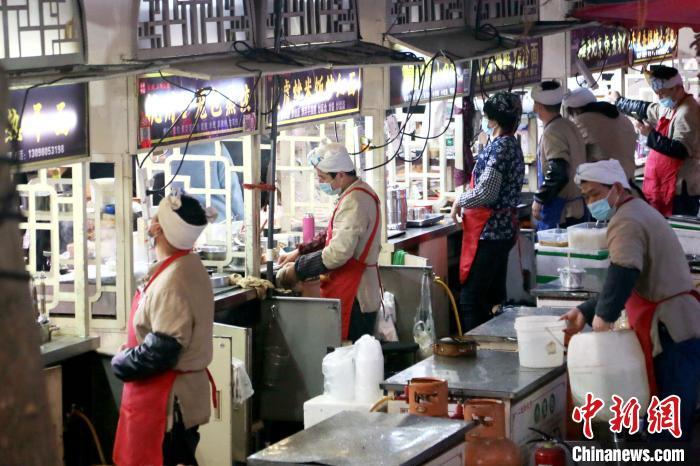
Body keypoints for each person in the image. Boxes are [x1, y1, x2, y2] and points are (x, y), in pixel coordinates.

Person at [561, 160, 700, 442]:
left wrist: (604, 316)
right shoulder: (638, 211)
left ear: (615, 188)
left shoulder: (626, 219)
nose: (591, 202)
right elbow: (630, 281)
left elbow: (624, 271)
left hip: (670, 329)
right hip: (679, 324)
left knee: (667, 421)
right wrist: (585, 311)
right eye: (586, 197)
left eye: (596, 194)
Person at [111, 194, 218, 466]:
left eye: (155, 217)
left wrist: (123, 362)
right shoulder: (187, 265)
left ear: (158, 228)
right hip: (175, 398)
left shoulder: (174, 280)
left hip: (167, 402)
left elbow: (163, 350)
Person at [276, 143, 382, 342]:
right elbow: (332, 234)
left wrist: (298, 269)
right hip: (354, 290)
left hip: (356, 297)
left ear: (340, 174)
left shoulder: (355, 201)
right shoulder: (356, 192)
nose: (320, 182)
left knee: (349, 357)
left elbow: (337, 253)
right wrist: (299, 252)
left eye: (323, 178)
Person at [450, 92, 525, 332]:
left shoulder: (501, 148)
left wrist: (460, 200)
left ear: (492, 120)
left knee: (471, 300)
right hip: (502, 230)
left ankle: (479, 352)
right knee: (493, 298)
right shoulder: (510, 144)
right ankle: (494, 347)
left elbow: (487, 193)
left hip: (490, 232)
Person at [613, 65, 700, 217]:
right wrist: (619, 101)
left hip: (681, 190)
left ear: (677, 88)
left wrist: (649, 134)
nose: (660, 98)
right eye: (657, 93)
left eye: (662, 93)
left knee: (680, 233)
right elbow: (646, 108)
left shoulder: (688, 112)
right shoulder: (671, 105)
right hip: (664, 184)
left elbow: (680, 150)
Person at [531, 80, 587, 230]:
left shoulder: (552, 132)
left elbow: (558, 171)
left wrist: (539, 198)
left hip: (563, 213)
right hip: (578, 207)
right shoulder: (569, 125)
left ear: (538, 106)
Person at [562, 87, 638, 182]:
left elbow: (571, 153)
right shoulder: (623, 118)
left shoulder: (581, 122)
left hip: (605, 184)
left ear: (574, 110)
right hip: (628, 181)